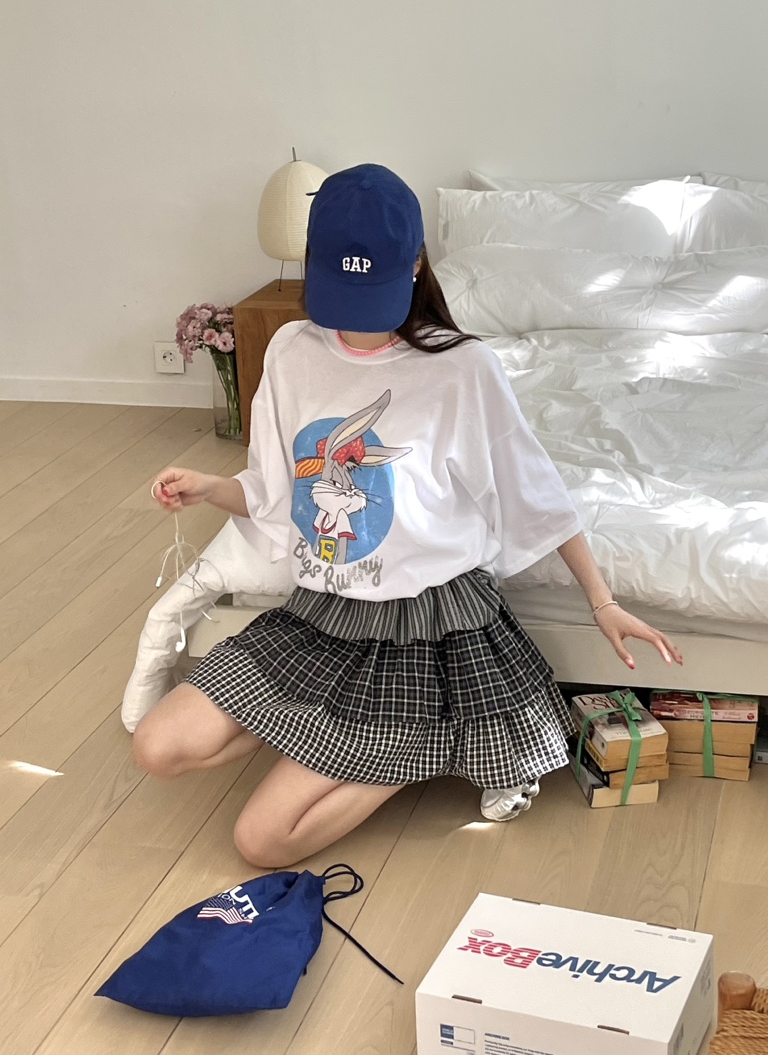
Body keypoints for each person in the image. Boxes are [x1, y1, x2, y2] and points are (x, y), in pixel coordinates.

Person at [135, 163, 682, 868]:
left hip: (426, 631)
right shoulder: (291, 351)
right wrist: (211, 488)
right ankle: (370, 742)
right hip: (323, 614)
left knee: (260, 841)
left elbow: (534, 494)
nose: (357, 320)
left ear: (417, 263)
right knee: (158, 747)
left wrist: (601, 600)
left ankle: (415, 749)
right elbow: (275, 493)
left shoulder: (463, 369)